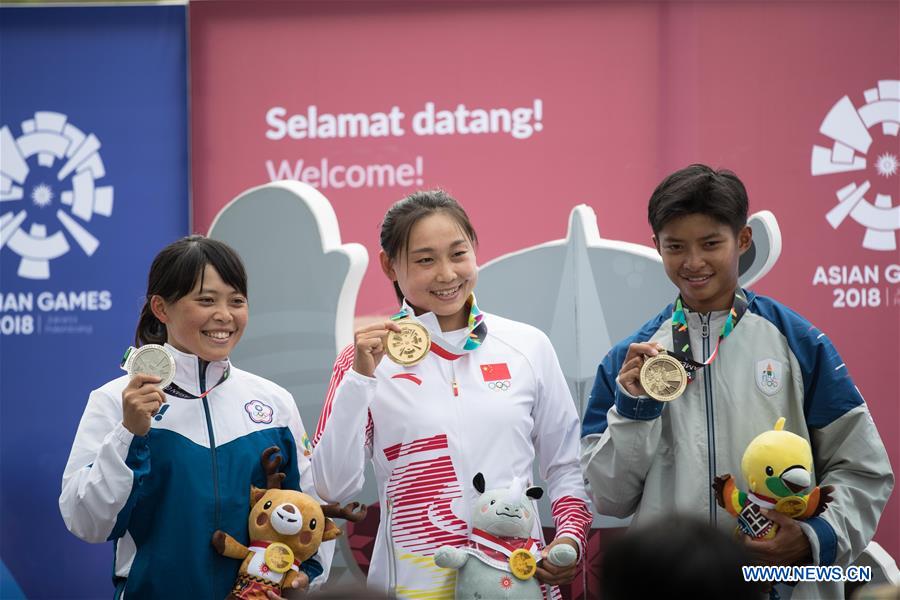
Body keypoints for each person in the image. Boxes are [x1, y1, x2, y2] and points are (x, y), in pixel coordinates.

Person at [580, 164, 894, 599]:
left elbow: (864, 471)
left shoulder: (799, 343)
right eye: (675, 246)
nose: (693, 262)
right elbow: (609, 498)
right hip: (673, 587)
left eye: (711, 243)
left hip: (780, 585)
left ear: (742, 240)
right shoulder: (630, 360)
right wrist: (635, 411)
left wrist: (812, 537)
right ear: (656, 246)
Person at [311, 190, 592, 598]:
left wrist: (569, 540)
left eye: (458, 254)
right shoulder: (364, 361)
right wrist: (360, 381)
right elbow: (332, 488)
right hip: (412, 586)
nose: (446, 274)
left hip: (514, 583)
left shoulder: (526, 346)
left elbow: (566, 466)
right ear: (389, 265)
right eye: (425, 259)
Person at [59, 235, 329, 599]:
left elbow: (309, 508)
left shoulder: (274, 403)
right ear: (161, 308)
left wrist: (307, 575)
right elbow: (87, 522)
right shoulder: (115, 401)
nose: (224, 315)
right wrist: (128, 434)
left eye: (237, 301)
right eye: (206, 300)